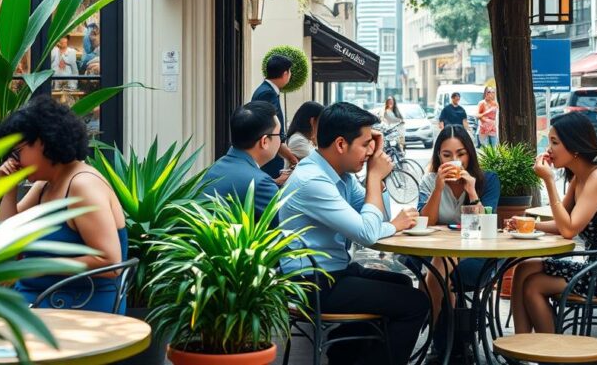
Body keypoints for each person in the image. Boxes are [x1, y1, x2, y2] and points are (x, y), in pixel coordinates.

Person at [279, 103, 428, 365]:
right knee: (415, 303)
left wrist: (375, 171)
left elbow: (377, 218)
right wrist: (373, 176)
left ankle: (345, 357)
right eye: (366, 144)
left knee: (401, 284)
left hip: (334, 272)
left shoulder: (340, 176)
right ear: (340, 144)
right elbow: (368, 233)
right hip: (311, 283)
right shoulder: (313, 180)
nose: (371, 151)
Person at [0, 96, 128, 313]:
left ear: (44, 141)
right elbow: (6, 240)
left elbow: (110, 261)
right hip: (38, 302)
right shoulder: (44, 185)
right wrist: (9, 190)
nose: (14, 161)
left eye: (17, 152)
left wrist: (39, 267)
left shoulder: (83, 185)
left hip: (77, 306)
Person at [510, 112, 597, 334]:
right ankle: (520, 350)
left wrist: (548, 180)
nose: (549, 149)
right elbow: (563, 223)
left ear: (575, 147)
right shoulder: (580, 177)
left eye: (555, 143)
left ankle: (551, 356)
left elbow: (568, 231)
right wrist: (529, 224)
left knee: (533, 286)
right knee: (523, 269)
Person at [416, 125, 501, 356]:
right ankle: (452, 345)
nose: (455, 160)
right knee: (441, 264)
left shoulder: (487, 180)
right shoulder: (430, 180)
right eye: (447, 155)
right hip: (436, 250)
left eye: (461, 154)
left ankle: (428, 340)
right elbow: (426, 222)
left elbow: (483, 228)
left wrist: (472, 192)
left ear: (470, 154)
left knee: (437, 271)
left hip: (475, 252)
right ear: (438, 156)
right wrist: (438, 188)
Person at [202, 101, 282, 224]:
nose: (281, 140)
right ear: (264, 141)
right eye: (280, 134)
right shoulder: (260, 184)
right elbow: (282, 234)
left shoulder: (215, 168)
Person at [251, 55, 299, 180]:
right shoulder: (267, 93)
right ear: (285, 73)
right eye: (290, 72)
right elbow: (271, 131)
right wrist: (292, 158)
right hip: (268, 160)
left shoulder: (266, 90)